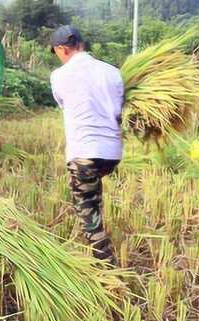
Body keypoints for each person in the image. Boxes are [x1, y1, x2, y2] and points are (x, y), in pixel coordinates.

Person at [49, 25, 124, 265]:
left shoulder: (59, 76)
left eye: (56, 52)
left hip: (84, 152)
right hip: (112, 153)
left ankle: (106, 265)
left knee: (87, 210)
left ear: (62, 49)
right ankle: (99, 228)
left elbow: (64, 104)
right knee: (92, 191)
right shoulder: (113, 72)